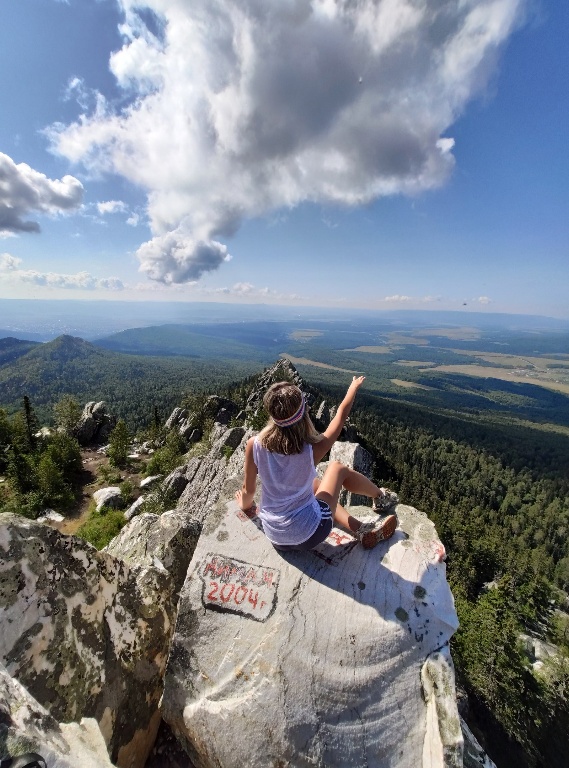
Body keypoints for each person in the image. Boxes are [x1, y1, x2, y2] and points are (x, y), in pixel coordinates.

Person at [235, 376, 399, 551]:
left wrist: (245, 506)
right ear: (304, 413)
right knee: (337, 468)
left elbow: (249, 490)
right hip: (311, 533)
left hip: (276, 537)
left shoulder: (254, 444)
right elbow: (341, 415)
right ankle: (381, 498)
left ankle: (360, 529)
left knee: (315, 485)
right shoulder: (311, 450)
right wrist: (353, 388)